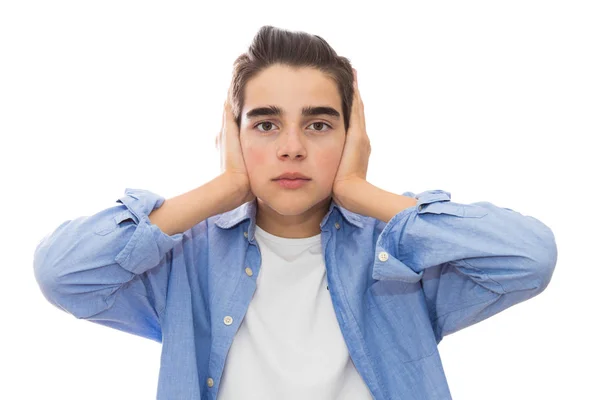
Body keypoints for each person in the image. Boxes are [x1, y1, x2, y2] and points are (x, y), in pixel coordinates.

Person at [33, 25, 558, 400]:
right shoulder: (183, 261)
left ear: (352, 136)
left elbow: (528, 258)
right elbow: (63, 274)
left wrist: (359, 190)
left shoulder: (400, 251)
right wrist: (226, 187)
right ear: (232, 136)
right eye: (264, 124)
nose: (291, 148)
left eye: (318, 124)